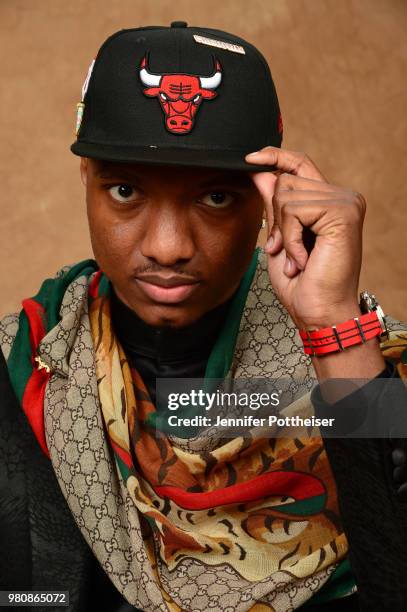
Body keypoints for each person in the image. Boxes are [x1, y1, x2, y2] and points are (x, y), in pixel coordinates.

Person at [1, 21, 407, 612]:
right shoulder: (25, 372)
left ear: (270, 202)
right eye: (124, 191)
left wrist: (333, 325)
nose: (168, 246)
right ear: (85, 179)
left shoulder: (360, 365)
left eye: (214, 197)